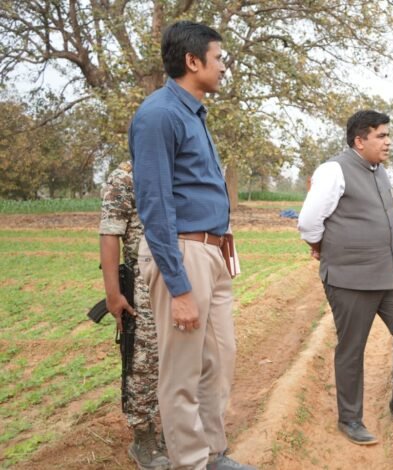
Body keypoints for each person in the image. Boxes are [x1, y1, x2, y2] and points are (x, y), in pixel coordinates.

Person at [131, 21, 253, 470]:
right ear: (193, 61)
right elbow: (155, 205)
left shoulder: (194, 114)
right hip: (181, 252)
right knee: (182, 372)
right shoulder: (159, 114)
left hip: (212, 252)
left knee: (219, 360)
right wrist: (179, 287)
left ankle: (215, 453)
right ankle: (190, 463)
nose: (223, 68)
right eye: (219, 59)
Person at [297, 110, 393, 446]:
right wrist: (321, 247)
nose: (388, 142)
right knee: (352, 347)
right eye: (381, 136)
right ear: (359, 140)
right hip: (349, 276)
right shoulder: (334, 170)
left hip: (385, 271)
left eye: (388, 135)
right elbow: (308, 221)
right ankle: (350, 419)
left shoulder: (379, 172)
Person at [99, 161, 170, 470]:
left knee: (175, 359)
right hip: (140, 284)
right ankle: (143, 436)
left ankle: (170, 428)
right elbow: (109, 235)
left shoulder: (173, 169)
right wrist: (114, 294)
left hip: (174, 279)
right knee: (142, 361)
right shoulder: (124, 176)